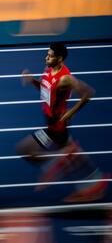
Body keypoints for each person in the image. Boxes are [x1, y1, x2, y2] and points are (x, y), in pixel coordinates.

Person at [16, 42, 108, 202]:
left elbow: (88, 93)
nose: (46, 57)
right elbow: (46, 89)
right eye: (47, 54)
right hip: (51, 124)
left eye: (50, 56)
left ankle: (61, 158)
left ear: (59, 59)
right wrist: (32, 80)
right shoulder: (49, 70)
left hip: (57, 127)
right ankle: (94, 185)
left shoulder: (65, 79)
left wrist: (71, 112)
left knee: (24, 149)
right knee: (75, 158)